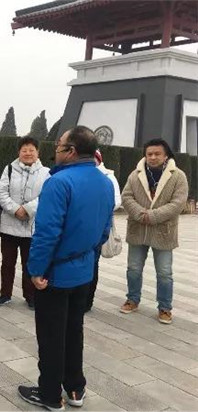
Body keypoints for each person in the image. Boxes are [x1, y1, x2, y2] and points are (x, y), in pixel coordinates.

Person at [18, 126, 113, 411]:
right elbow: (105, 229)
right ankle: (74, 387)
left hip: (56, 274)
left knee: (51, 335)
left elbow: (47, 233)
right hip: (84, 269)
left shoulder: (59, 182)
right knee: (74, 330)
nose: (55, 149)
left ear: (71, 151)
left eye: (59, 145)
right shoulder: (105, 182)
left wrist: (36, 270)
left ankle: (50, 394)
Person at [120, 138, 188, 324]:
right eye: (149, 154)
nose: (153, 157)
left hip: (163, 231)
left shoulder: (178, 176)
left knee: (164, 272)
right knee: (133, 269)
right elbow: (126, 197)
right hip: (138, 229)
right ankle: (132, 299)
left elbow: (178, 203)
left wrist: (153, 215)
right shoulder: (136, 174)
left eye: (157, 153)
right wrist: (141, 214)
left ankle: (165, 307)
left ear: (166, 155)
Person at [0, 136, 49, 308]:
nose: (28, 153)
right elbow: (1, 192)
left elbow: (46, 195)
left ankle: (30, 295)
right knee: (7, 263)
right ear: (19, 152)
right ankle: (5, 294)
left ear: (38, 152)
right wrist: (16, 209)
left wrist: (27, 209)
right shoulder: (9, 169)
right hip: (9, 225)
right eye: (24, 150)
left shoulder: (46, 172)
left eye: (31, 150)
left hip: (32, 226)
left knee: (29, 263)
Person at [85, 149, 121, 312]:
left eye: (94, 158)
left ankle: (87, 301)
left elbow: (117, 201)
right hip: (81, 225)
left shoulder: (108, 176)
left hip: (98, 226)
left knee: (93, 263)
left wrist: (97, 206)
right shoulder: (81, 173)